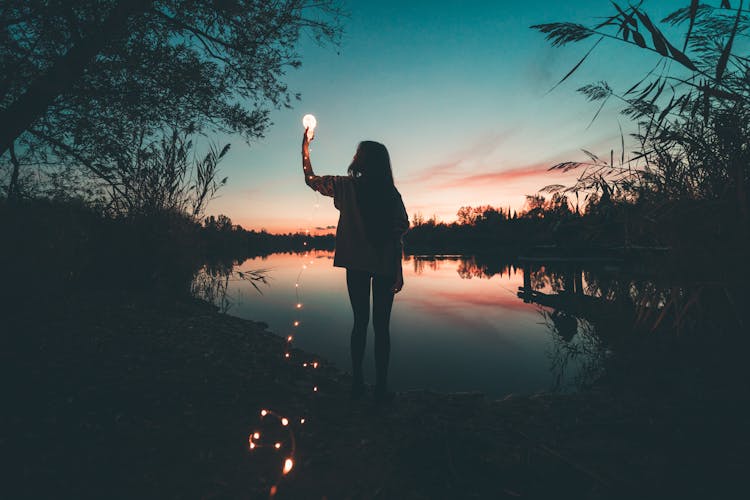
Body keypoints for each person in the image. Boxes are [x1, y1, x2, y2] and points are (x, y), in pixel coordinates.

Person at [301, 128, 408, 403]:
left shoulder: (345, 186)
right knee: (381, 327)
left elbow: (310, 179)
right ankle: (381, 388)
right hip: (384, 265)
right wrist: (398, 269)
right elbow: (400, 230)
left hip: (356, 264)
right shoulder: (391, 194)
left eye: (358, 153)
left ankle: (358, 383)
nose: (354, 156)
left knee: (360, 322)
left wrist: (305, 148)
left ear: (363, 161)